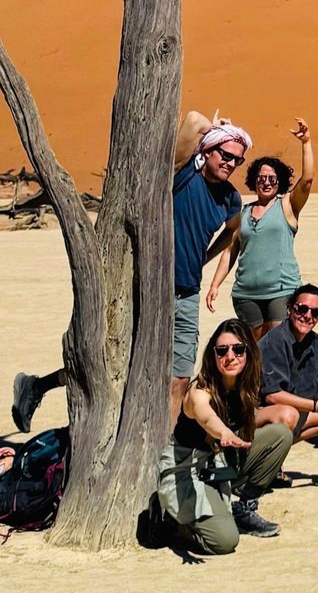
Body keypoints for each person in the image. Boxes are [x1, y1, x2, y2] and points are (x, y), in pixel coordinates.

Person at [12, 110, 251, 433]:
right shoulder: (180, 176)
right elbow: (193, 120)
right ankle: (38, 386)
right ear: (207, 150)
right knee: (113, 361)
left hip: (188, 293)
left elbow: (232, 231)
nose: (230, 163)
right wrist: (216, 129)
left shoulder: (230, 199)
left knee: (179, 378)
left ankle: (161, 455)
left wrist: (204, 257)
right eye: (225, 154)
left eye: (238, 160)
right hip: (148, 288)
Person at [150, 319, 292, 550]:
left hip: (220, 460)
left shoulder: (245, 386)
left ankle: (242, 507)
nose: (230, 356)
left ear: (248, 352)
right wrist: (224, 432)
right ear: (212, 355)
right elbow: (206, 416)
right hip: (188, 469)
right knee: (225, 541)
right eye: (222, 350)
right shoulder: (199, 391)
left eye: (238, 349)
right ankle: (173, 524)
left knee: (279, 435)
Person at [204, 119, 314, 340]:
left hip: (281, 291)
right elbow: (230, 251)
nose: (266, 182)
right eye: (261, 178)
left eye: (272, 179)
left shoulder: (287, 206)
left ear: (280, 182)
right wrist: (214, 284)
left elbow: (307, 180)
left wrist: (306, 143)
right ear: (254, 181)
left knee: (279, 343)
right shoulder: (242, 212)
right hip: (246, 294)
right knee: (254, 350)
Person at [257, 284, 318, 443]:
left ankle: (276, 450)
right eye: (302, 309)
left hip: (291, 411)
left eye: (315, 313)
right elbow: (272, 396)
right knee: (288, 415)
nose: (308, 316)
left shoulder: (314, 342)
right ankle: (266, 454)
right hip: (258, 413)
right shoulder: (276, 340)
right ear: (289, 309)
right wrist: (317, 406)